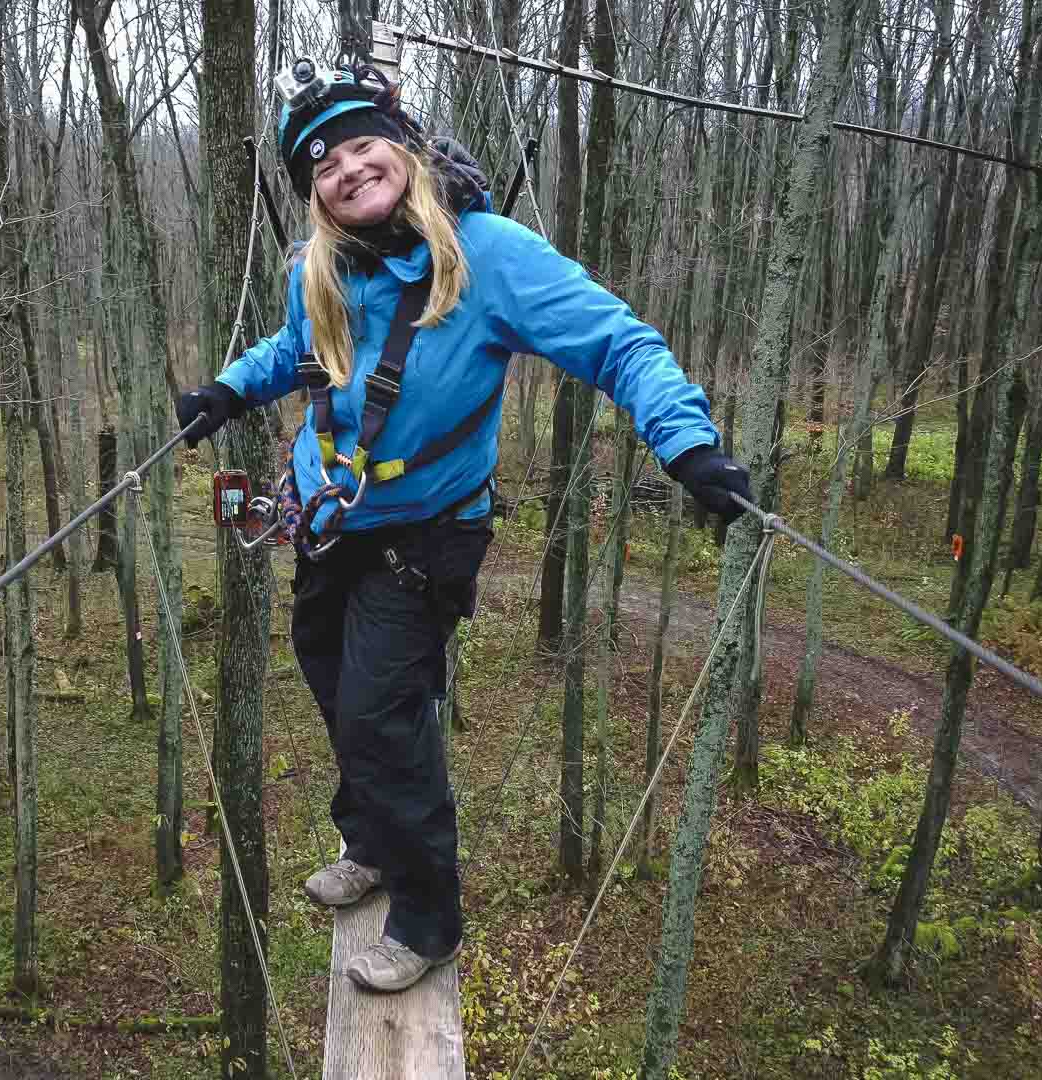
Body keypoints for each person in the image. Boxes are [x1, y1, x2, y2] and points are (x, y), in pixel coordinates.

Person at [176, 61, 752, 994]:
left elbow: (618, 342)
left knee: (383, 716)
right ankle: (367, 838)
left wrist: (685, 446)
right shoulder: (316, 270)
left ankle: (426, 917)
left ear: (402, 148)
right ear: (315, 194)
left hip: (425, 533)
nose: (350, 170)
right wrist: (229, 388)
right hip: (329, 520)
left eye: (365, 145)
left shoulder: (486, 257)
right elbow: (295, 351)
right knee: (331, 681)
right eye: (324, 166)